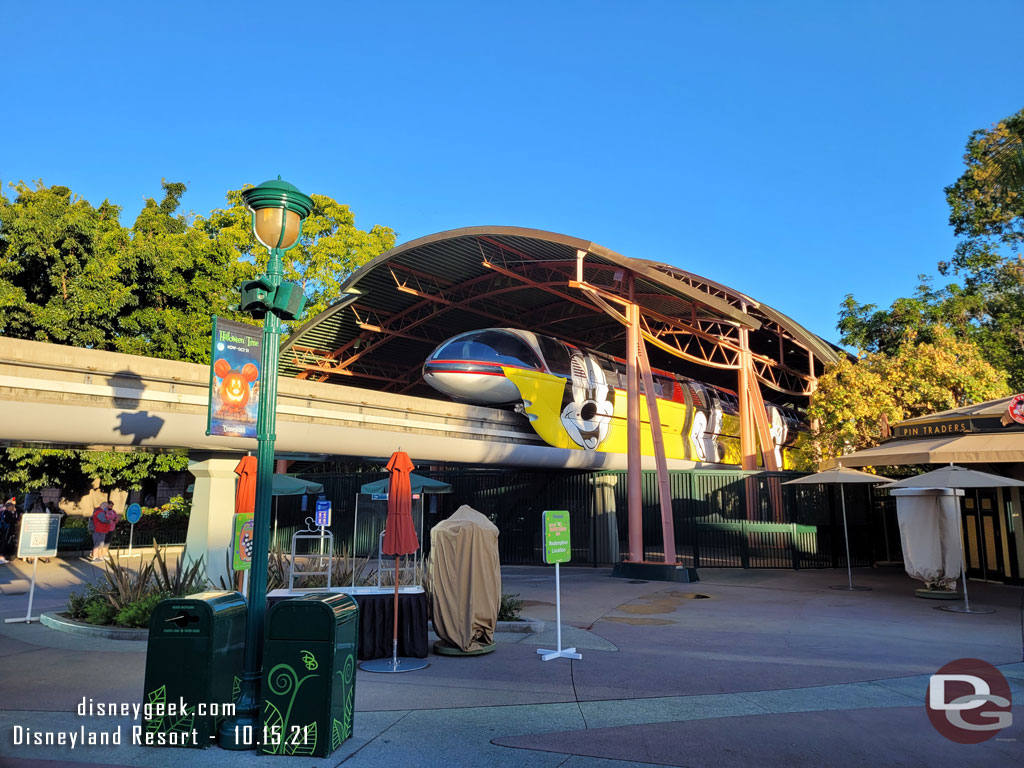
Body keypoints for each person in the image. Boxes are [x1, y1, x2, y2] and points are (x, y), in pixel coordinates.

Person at [0, 498, 18, 565]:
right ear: (8, 506)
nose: (13, 507)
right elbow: (11, 521)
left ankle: (4, 556)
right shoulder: (6, 512)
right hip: (5, 529)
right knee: (4, 541)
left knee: (6, 542)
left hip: (7, 529)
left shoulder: (10, 512)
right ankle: (1, 556)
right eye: (12, 506)